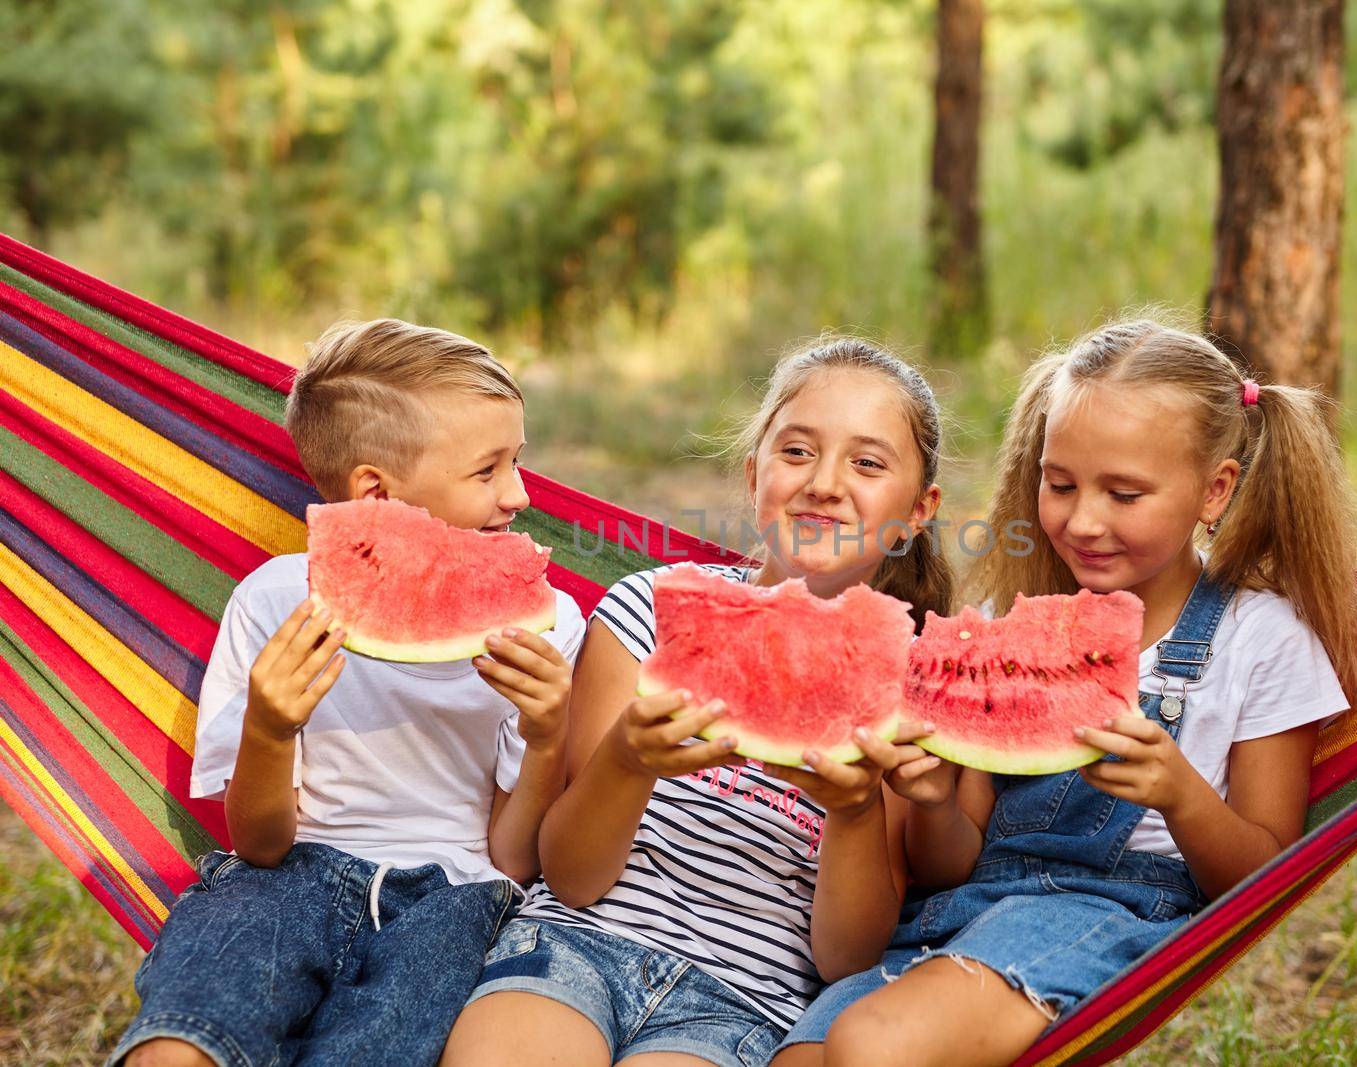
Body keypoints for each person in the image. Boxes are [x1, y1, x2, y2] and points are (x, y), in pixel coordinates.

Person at [776, 317, 1357, 1067]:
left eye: (1124, 493)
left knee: (870, 1045)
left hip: (1106, 912)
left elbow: (1267, 877)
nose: (1082, 520)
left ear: (1214, 490)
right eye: (1059, 484)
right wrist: (929, 800)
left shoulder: (1260, 637)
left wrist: (1180, 793)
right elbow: (953, 861)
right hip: (957, 910)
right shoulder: (1001, 627)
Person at [440, 337, 955, 1067]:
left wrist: (856, 810)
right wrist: (626, 758)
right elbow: (572, 876)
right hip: (570, 942)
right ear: (754, 476)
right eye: (797, 451)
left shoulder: (908, 684)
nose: (825, 483)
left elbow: (847, 956)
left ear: (918, 511)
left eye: (867, 463)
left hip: (742, 1001)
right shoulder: (648, 611)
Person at [111, 319, 584, 1067]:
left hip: (455, 902)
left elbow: (511, 857)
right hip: (286, 879)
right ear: (376, 492)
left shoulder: (549, 624)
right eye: (488, 469)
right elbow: (259, 843)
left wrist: (549, 731)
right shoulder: (276, 603)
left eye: (517, 461)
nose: (520, 494)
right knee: (177, 1042)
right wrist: (269, 726)